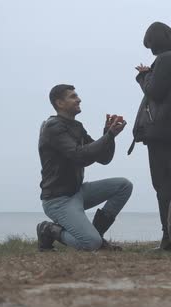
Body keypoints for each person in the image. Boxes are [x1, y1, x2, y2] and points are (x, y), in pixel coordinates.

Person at [37, 84, 133, 251]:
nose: (79, 99)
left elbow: (104, 158)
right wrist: (108, 135)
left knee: (123, 185)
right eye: (73, 96)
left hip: (77, 192)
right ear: (59, 103)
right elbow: (79, 156)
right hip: (58, 200)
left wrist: (108, 135)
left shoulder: (77, 127)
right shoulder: (53, 127)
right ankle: (48, 229)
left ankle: (98, 235)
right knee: (89, 243)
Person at [130, 22, 171, 250]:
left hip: (161, 130)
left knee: (164, 185)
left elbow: (154, 92)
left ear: (155, 40)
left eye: (150, 45)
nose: (150, 50)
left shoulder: (167, 58)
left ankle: (170, 238)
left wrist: (143, 76)